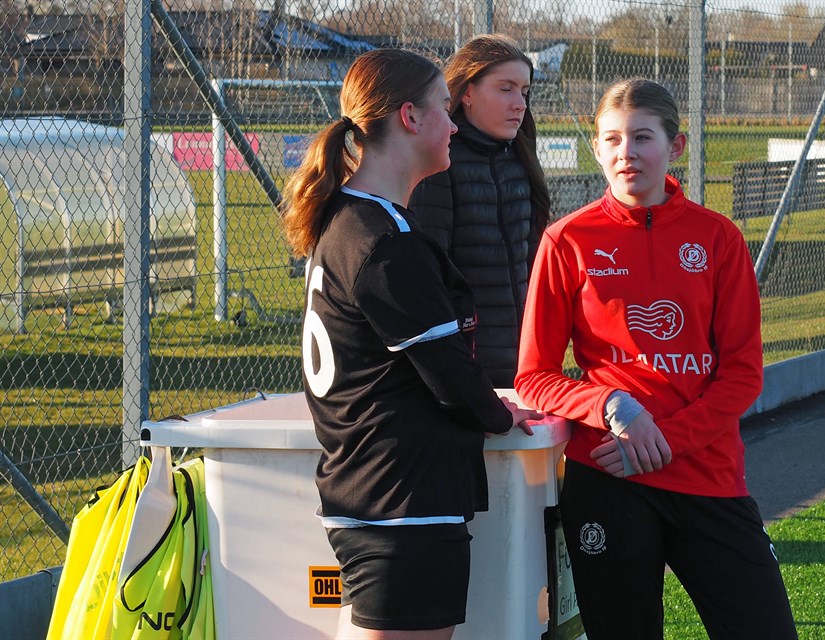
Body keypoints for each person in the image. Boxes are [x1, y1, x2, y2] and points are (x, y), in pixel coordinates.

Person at [515, 78, 798, 639]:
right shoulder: (567, 240)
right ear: (597, 149)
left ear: (676, 146)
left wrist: (664, 439)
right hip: (608, 476)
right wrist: (611, 405)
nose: (627, 153)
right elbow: (534, 377)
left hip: (707, 475)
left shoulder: (717, 239)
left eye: (642, 137)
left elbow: (742, 375)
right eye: (612, 139)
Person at [281, 48, 541, 640]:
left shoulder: (352, 219)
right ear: (409, 117)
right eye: (444, 109)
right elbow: (448, 374)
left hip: (377, 494)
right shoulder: (383, 239)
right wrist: (500, 412)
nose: (453, 126)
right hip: (401, 500)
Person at [408, 33, 551, 388]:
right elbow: (429, 276)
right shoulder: (439, 164)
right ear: (467, 93)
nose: (519, 104)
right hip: (463, 369)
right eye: (506, 89)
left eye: (524, 91)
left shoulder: (520, 160)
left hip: (525, 363)